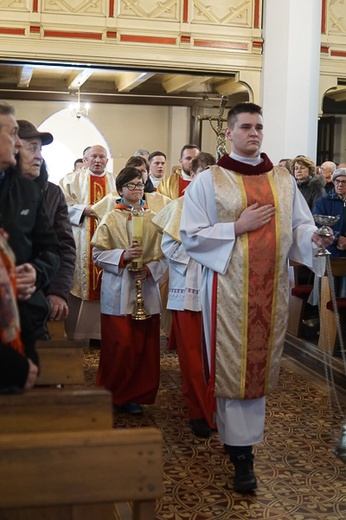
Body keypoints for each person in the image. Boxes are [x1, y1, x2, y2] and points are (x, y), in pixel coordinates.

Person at [180, 102, 333, 493]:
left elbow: (299, 226)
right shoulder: (209, 180)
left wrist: (313, 238)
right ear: (228, 133)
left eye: (259, 127)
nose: (254, 133)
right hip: (229, 288)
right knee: (234, 367)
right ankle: (240, 453)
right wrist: (236, 227)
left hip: (272, 289)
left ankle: (245, 447)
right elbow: (191, 235)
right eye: (246, 127)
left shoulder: (282, 179)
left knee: (259, 369)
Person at [91, 166, 167, 414]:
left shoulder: (155, 218)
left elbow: (168, 257)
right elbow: (97, 255)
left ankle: (135, 395)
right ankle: (112, 395)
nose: (136, 189)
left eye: (140, 184)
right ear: (120, 189)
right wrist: (123, 256)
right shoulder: (111, 218)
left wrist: (150, 270)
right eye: (131, 185)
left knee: (142, 347)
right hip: (119, 291)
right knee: (120, 346)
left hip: (146, 290)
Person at [152, 151, 216, 438]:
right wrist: (203, 254)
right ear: (194, 174)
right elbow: (170, 248)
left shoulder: (222, 209)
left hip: (218, 293)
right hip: (189, 290)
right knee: (192, 358)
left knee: (216, 358)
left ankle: (217, 409)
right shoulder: (178, 207)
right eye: (204, 175)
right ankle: (197, 411)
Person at [1, 106, 61, 348]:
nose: (17, 144)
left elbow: (52, 249)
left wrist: (35, 272)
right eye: (12, 134)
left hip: (26, 318)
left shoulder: (27, 191)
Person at [16, 120, 76, 322]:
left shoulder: (51, 193)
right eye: (32, 149)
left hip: (39, 294)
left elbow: (64, 247)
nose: (39, 157)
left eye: (40, 149)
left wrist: (58, 291)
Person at [59, 145, 117, 341]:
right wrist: (83, 210)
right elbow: (59, 207)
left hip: (108, 241)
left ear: (107, 161)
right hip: (80, 237)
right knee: (79, 283)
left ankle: (103, 335)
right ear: (85, 160)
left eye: (102, 157)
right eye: (94, 156)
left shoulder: (116, 181)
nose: (98, 160)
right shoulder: (71, 179)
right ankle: (79, 334)